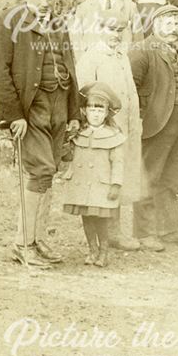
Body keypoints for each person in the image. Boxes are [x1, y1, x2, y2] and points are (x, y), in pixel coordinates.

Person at [0, 0, 81, 268]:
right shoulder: (7, 21)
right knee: (40, 170)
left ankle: (37, 238)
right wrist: (13, 114)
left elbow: (70, 64)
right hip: (30, 108)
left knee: (50, 172)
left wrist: (73, 113)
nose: (44, 2)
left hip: (59, 104)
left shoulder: (58, 23)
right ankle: (21, 242)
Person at [128, 4, 178, 249]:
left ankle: (170, 228)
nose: (173, 29)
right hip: (155, 124)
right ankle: (144, 232)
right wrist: (139, 119)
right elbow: (132, 89)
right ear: (156, 25)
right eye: (168, 24)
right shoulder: (143, 50)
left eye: (176, 24)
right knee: (149, 177)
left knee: (171, 178)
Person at [75, 13, 145, 251]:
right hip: (103, 130)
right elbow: (84, 95)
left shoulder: (122, 56)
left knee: (120, 175)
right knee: (104, 179)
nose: (116, 35)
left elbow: (129, 92)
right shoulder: (92, 57)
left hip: (125, 127)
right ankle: (105, 234)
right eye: (111, 29)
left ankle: (116, 230)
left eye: (120, 30)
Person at [61, 82, 126, 267]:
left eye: (100, 110)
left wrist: (116, 185)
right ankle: (92, 250)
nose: (95, 114)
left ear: (106, 113)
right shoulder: (78, 134)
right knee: (87, 219)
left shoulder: (112, 136)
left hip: (101, 187)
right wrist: (66, 140)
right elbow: (66, 157)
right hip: (81, 186)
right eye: (91, 109)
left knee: (101, 221)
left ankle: (104, 252)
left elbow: (118, 163)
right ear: (84, 112)